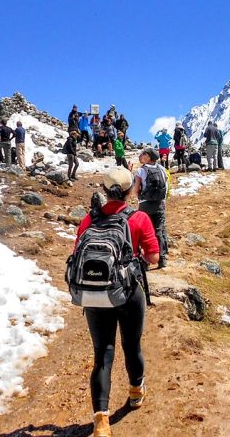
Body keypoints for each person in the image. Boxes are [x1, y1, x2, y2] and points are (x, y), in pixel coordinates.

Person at [74, 168, 160, 437]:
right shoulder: (139, 218)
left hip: (95, 295)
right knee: (131, 345)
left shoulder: (90, 218)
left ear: (103, 187)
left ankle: (101, 422)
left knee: (102, 356)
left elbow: (77, 253)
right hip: (127, 291)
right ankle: (136, 392)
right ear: (131, 189)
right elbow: (154, 257)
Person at [133, 148, 169, 269]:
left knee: (145, 232)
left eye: (143, 154)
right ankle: (162, 259)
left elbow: (136, 189)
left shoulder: (141, 171)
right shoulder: (162, 169)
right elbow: (166, 186)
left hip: (145, 204)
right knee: (159, 231)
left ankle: (145, 262)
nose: (140, 156)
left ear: (148, 157)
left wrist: (139, 197)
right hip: (159, 204)